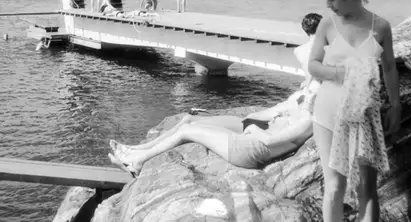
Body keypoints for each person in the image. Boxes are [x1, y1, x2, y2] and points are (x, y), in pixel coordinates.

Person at [107, 13, 323, 177]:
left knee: (187, 131)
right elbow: (278, 108)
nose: (309, 86)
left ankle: (138, 162)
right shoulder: (306, 94)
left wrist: (254, 128)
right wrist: (252, 119)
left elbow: (269, 141)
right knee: (188, 119)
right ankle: (136, 149)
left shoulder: (309, 119)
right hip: (253, 128)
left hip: (249, 148)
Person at [308, 0, 401, 222]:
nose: (328, 5)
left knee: (366, 188)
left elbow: (389, 68)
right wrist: (342, 73)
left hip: (365, 116)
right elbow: (313, 65)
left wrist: (395, 105)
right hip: (327, 114)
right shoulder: (328, 23)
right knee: (335, 187)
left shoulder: (381, 26)